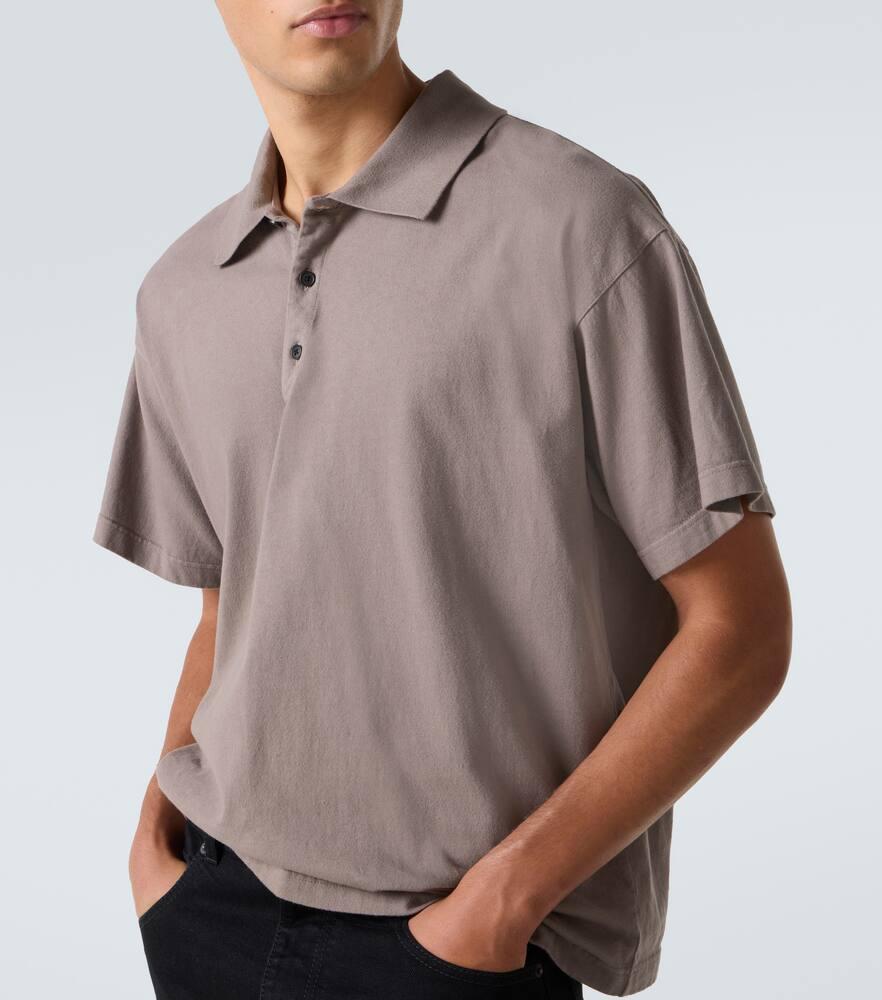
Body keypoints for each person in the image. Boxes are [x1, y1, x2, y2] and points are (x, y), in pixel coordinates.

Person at [92, 2, 792, 997]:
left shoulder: (580, 224)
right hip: (212, 908)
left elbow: (740, 628)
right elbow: (229, 604)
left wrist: (502, 900)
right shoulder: (183, 288)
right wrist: (154, 841)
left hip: (458, 942)